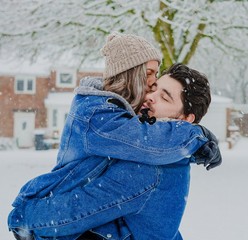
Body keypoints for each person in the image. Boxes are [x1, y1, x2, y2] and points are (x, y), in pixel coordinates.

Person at [8, 33, 221, 239]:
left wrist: (25, 218)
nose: (150, 95)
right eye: (152, 84)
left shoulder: (150, 165)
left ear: (185, 119)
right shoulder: (107, 120)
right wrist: (198, 136)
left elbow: (80, 209)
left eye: (164, 98)